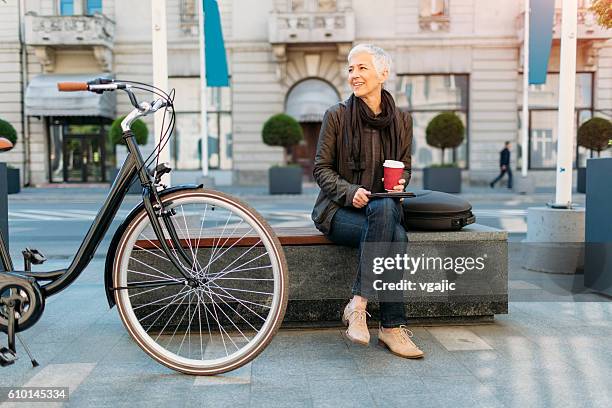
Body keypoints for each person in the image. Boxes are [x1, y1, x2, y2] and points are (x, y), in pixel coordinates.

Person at [311, 44, 424, 359]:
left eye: (362, 68)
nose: (354, 75)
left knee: (390, 218)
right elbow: (320, 169)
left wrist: (401, 182)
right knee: (395, 234)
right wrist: (349, 192)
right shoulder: (336, 116)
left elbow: (405, 167)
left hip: (381, 210)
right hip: (337, 212)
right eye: (350, 69)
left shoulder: (401, 121)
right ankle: (390, 325)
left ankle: (361, 306)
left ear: (383, 73)